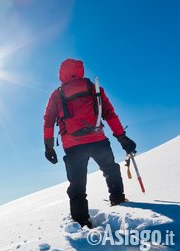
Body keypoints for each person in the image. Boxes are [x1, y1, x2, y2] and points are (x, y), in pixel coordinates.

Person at [43, 58, 136, 228]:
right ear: (80, 70)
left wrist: (48, 146)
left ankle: (81, 222)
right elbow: (109, 114)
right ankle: (118, 200)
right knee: (110, 169)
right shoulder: (94, 88)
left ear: (61, 73)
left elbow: (48, 120)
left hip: (73, 145)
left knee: (77, 183)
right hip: (98, 139)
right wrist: (122, 137)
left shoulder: (57, 94)